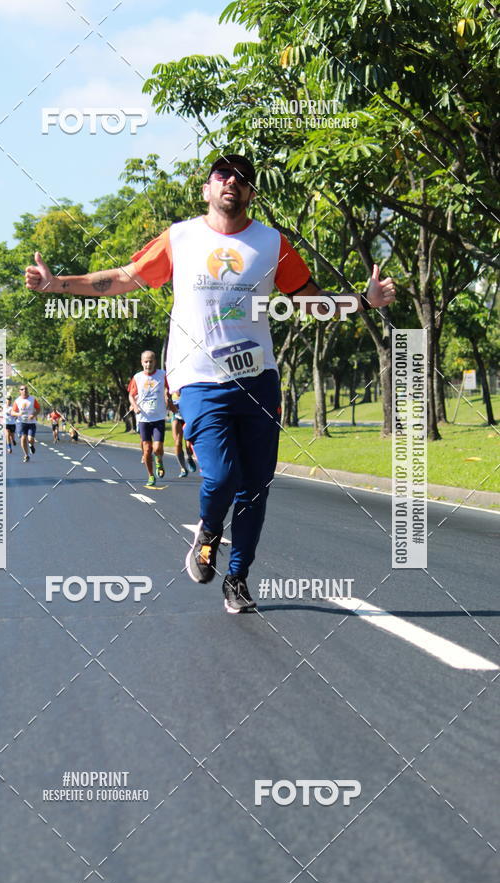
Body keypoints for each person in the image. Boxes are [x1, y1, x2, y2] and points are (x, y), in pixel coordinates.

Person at [25, 153, 395, 613]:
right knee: (220, 476)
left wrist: (364, 301)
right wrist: (57, 283)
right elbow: (123, 279)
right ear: (206, 189)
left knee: (255, 487)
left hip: (259, 380)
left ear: (251, 193)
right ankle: (208, 529)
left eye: (242, 179)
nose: (231, 184)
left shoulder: (272, 242)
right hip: (198, 380)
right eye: (222, 176)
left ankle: (237, 577)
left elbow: (309, 301)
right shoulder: (181, 238)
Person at [128, 350, 171, 488]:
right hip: (143, 418)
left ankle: (159, 460)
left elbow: (169, 389)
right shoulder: (137, 377)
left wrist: (167, 397)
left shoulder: (162, 375)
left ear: (155, 362)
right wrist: (134, 405)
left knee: (157, 448)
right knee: (147, 450)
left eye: (151, 361)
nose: (148, 364)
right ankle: (151, 475)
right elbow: (131, 394)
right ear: (142, 362)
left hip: (158, 417)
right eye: (146, 361)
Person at [171, 392, 197, 477]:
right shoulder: (170, 384)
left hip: (187, 416)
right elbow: (166, 398)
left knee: (189, 443)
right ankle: (183, 468)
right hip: (176, 416)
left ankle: (189, 457)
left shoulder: (186, 385)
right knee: (177, 443)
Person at [12, 384, 40, 462]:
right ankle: (26, 455)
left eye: (25, 389)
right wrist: (18, 414)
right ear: (19, 391)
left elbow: (38, 409)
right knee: (23, 438)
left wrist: (33, 414)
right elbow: (12, 412)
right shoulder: (17, 401)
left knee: (30, 439)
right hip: (21, 422)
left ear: (27, 390)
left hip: (31, 422)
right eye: (22, 389)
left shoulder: (32, 399)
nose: (24, 390)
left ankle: (31, 445)